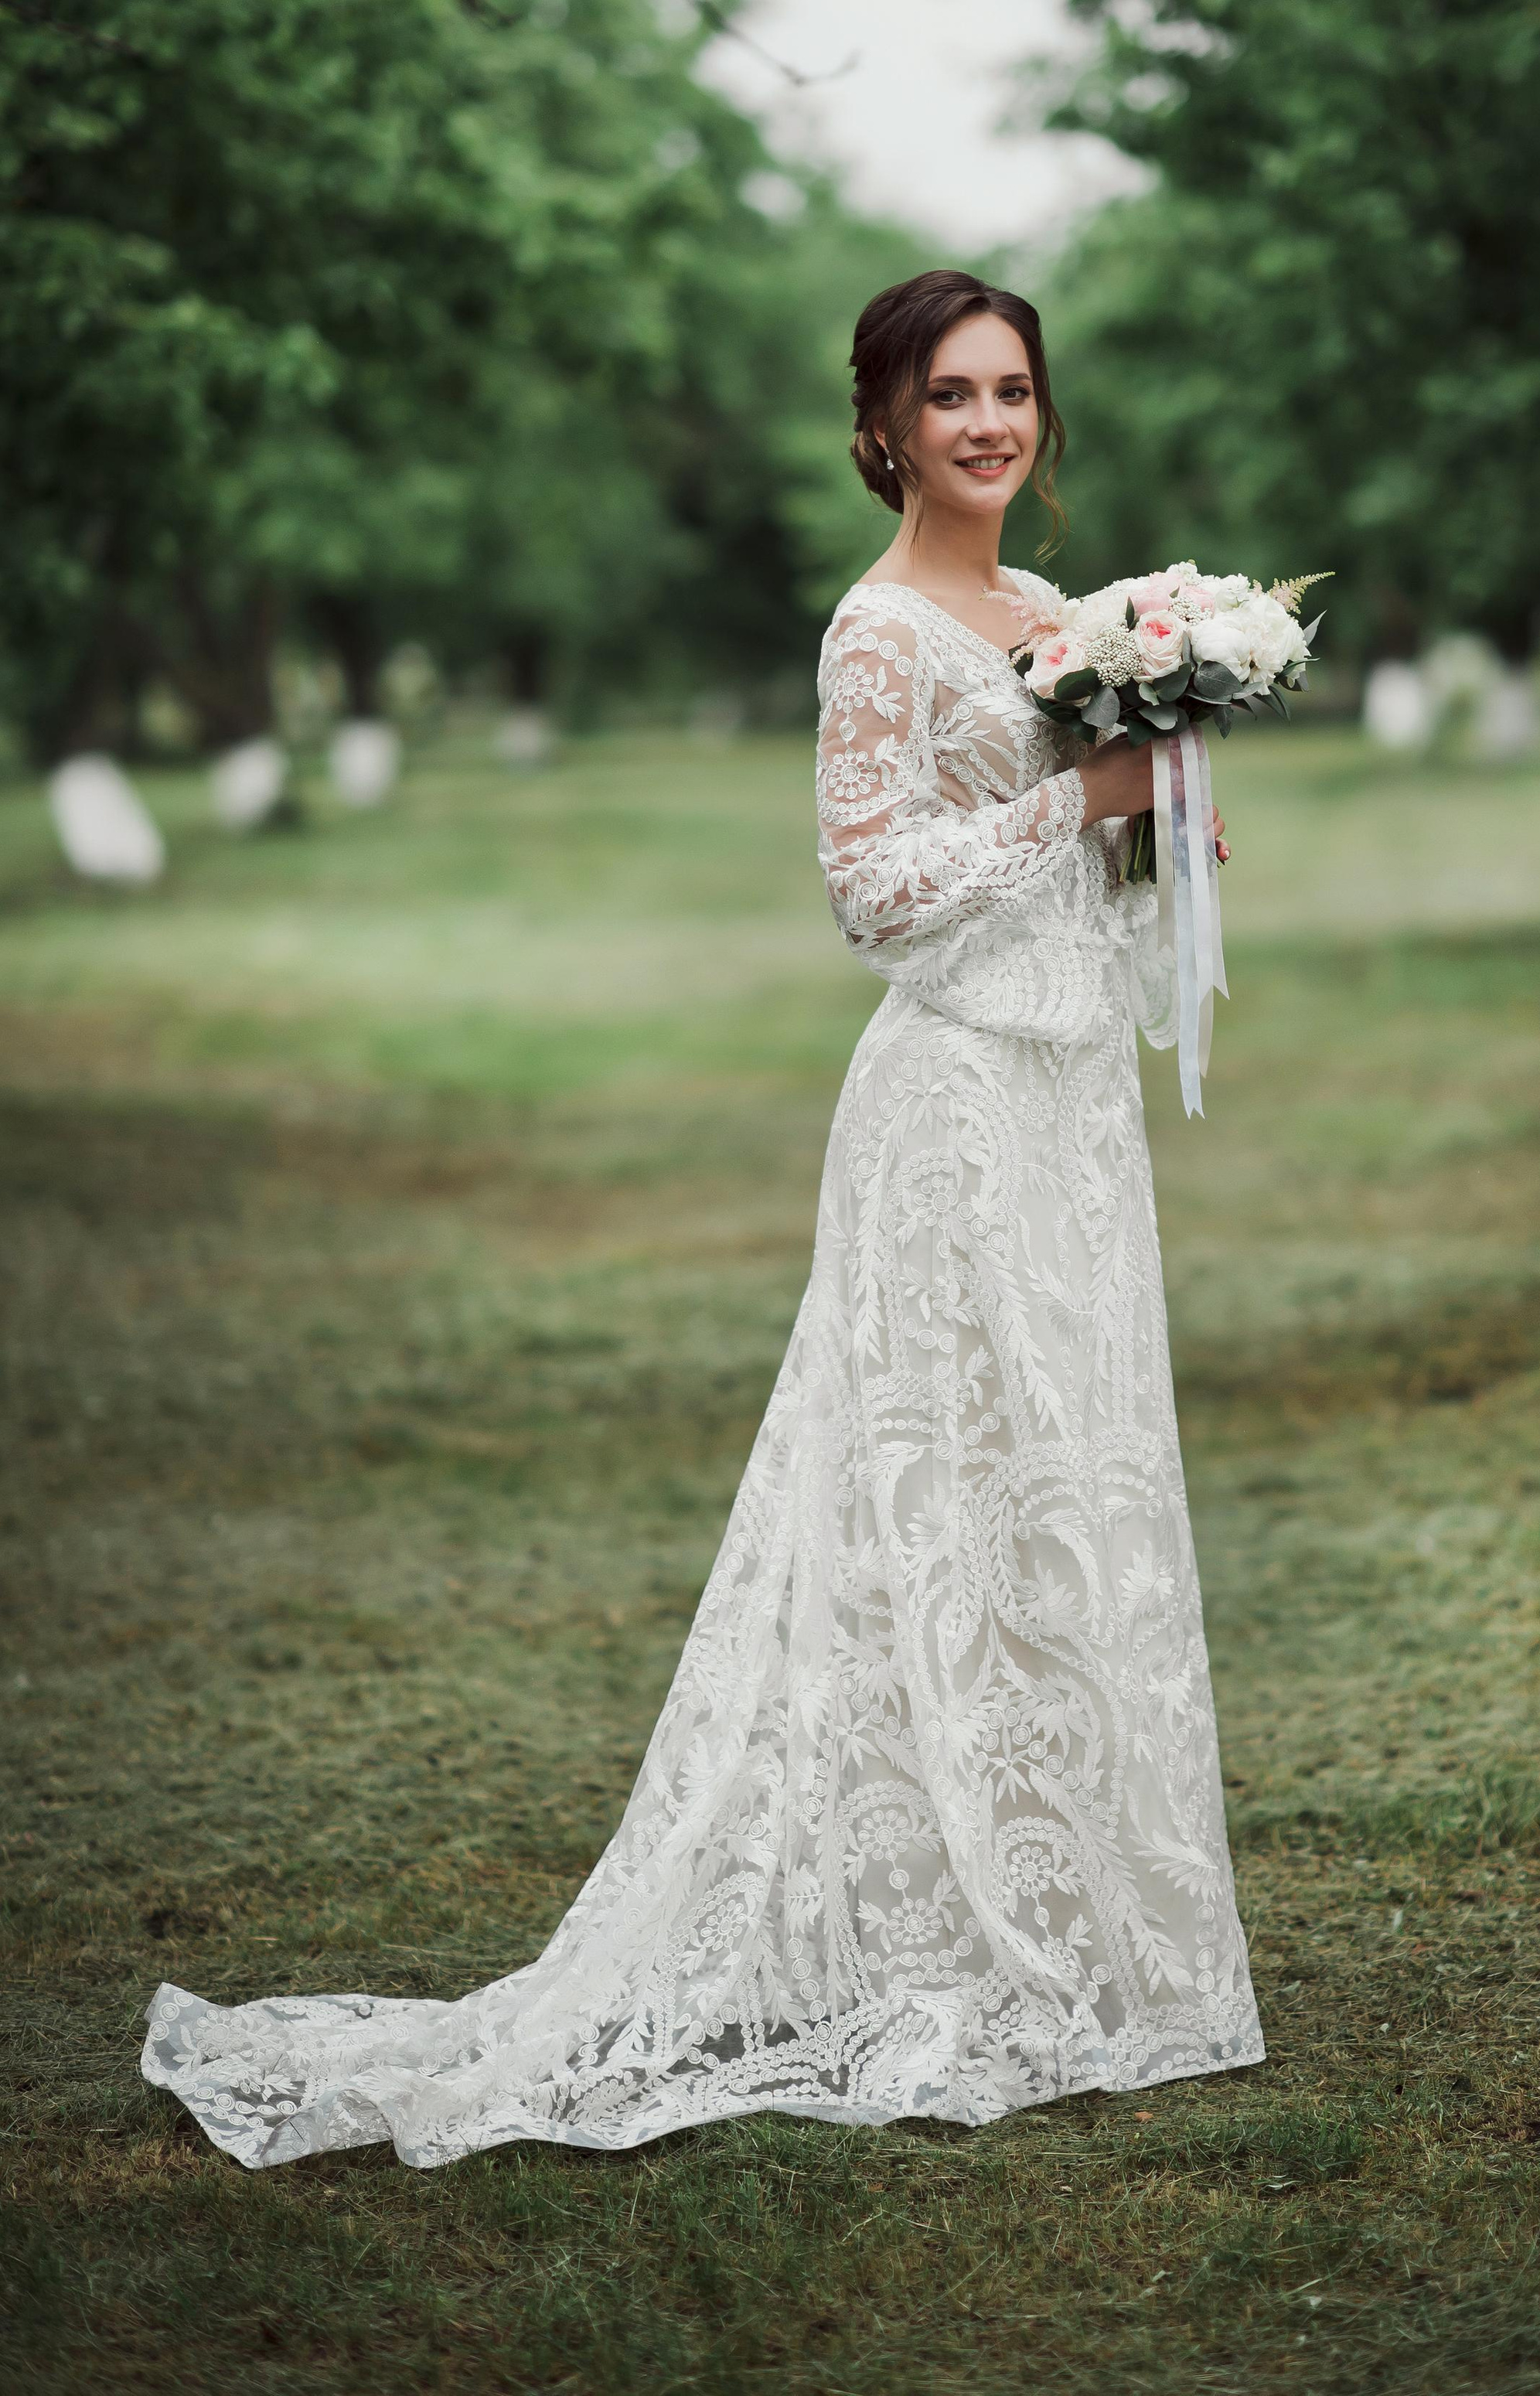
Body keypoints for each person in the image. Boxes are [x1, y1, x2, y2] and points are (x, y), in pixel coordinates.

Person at [142, 268, 1263, 2167]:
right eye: (947, 396)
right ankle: (931, 1925)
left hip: (1072, 1120)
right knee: (939, 1516)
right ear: (884, 427)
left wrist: (1158, 818)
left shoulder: (1065, 623)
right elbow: (868, 893)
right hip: (950, 1120)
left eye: (1010, 392)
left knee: (1065, 1496)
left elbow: (1104, 872)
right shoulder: (878, 634)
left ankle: (1083, 1919)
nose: (985, 423)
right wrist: (1063, 810)